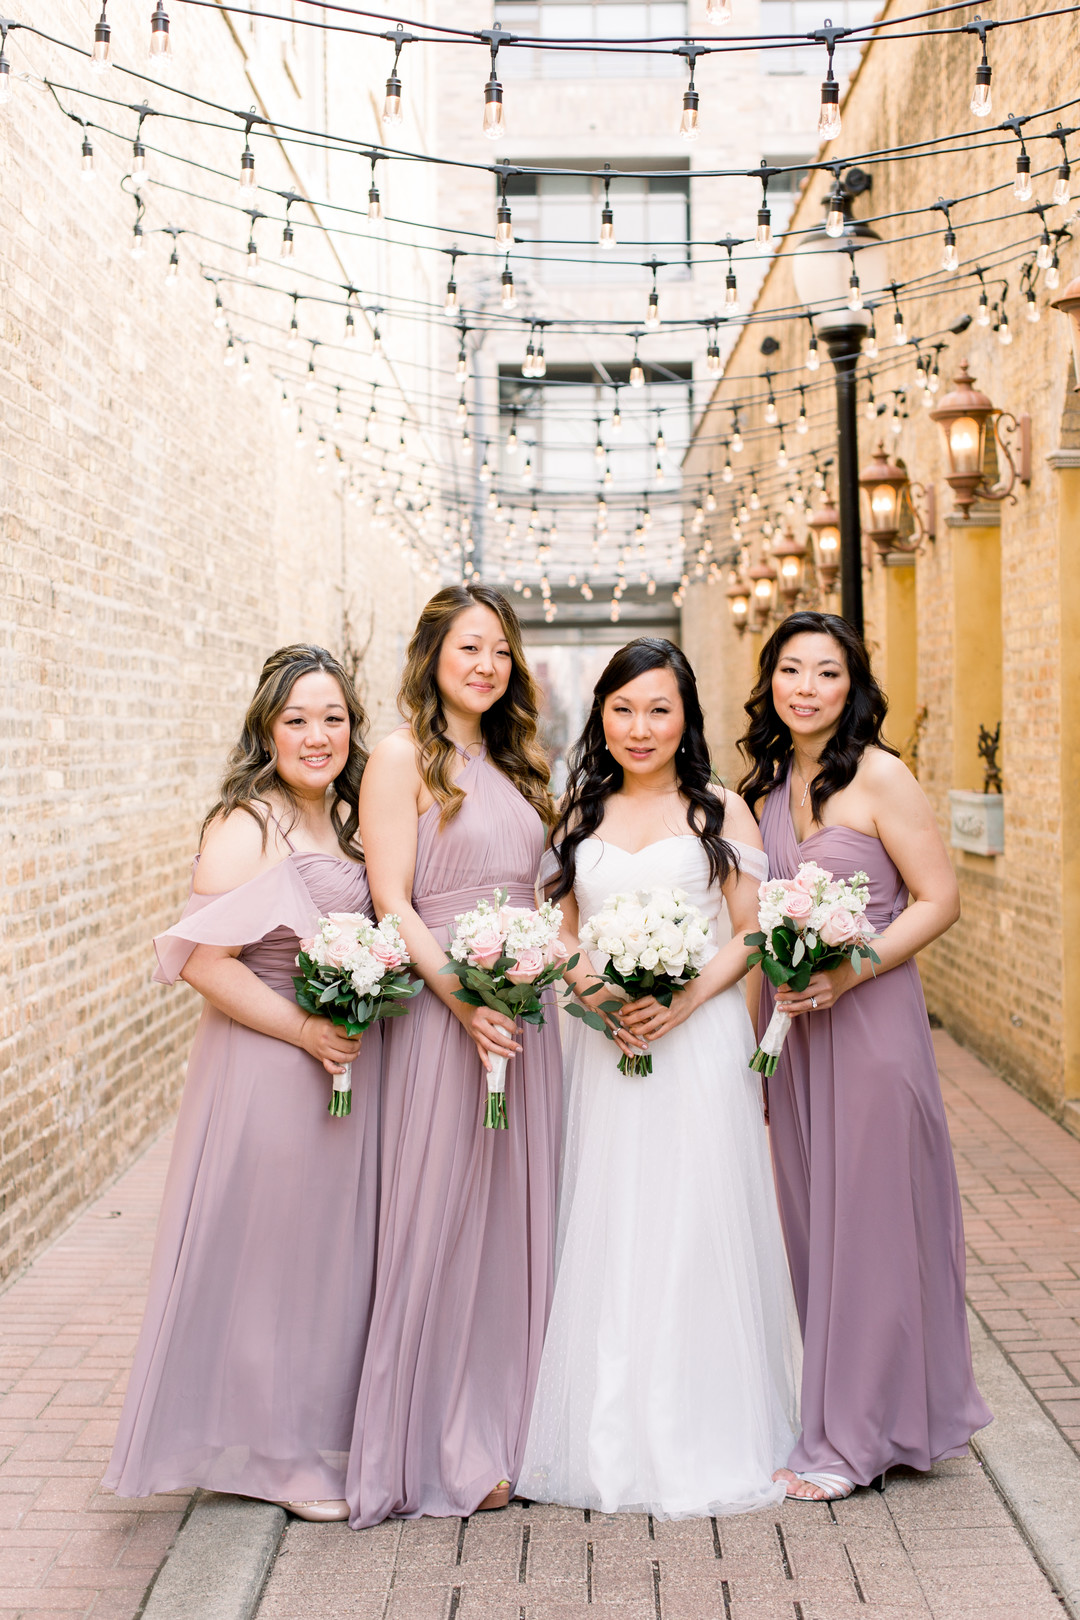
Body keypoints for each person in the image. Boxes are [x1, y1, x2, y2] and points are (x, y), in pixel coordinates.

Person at [517, 638, 799, 1519]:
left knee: (694, 1220)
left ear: (687, 720)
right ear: (602, 714)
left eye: (659, 710)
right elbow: (555, 925)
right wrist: (589, 985)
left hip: (700, 1039)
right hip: (604, 1045)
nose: (640, 728)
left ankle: (702, 1430)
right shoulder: (578, 812)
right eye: (624, 709)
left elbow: (751, 932)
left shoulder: (723, 811)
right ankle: (605, 1439)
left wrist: (683, 1003)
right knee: (611, 1220)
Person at [104, 645, 379, 1522]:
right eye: (297, 718)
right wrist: (303, 1028)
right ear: (267, 728)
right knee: (272, 1258)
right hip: (270, 1067)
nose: (317, 734)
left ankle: (304, 1431)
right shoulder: (247, 824)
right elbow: (201, 961)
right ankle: (275, 1455)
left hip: (333, 1066)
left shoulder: (344, 821)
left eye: (332, 717)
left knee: (321, 1255)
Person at [739, 611, 991, 1502]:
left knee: (875, 1223)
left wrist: (854, 970)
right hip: (794, 1041)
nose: (806, 688)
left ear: (853, 689)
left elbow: (940, 898)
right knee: (816, 1225)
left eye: (827, 674)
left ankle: (856, 1441)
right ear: (769, 680)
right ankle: (860, 1412)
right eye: (791, 671)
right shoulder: (764, 787)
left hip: (871, 1028)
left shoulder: (881, 775)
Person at [346, 584, 562, 1528]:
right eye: (471, 647)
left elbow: (548, 894)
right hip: (448, 1020)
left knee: (520, 1224)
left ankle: (519, 1428)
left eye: (502, 652)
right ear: (432, 652)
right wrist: (463, 1001)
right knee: (442, 1221)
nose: (486, 665)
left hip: (527, 1017)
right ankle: (435, 1441)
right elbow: (391, 896)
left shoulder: (518, 762)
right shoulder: (401, 759)